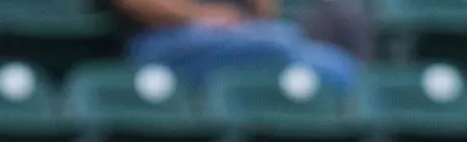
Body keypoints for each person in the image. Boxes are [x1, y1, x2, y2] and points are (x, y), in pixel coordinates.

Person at [113, 0, 359, 93]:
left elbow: (266, 13)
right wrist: (201, 15)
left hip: (241, 37)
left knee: (339, 66)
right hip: (163, 38)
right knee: (277, 41)